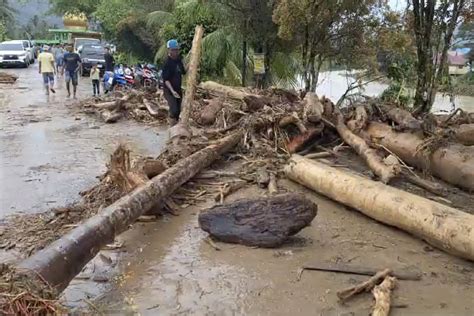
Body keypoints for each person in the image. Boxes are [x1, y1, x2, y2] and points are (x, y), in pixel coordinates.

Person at [161, 39, 186, 125]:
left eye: (176, 50)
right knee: (174, 110)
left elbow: (183, 71)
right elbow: (166, 80)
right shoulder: (167, 63)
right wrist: (172, 91)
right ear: (169, 50)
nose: (175, 52)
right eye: (173, 50)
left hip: (178, 89)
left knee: (178, 111)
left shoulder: (179, 60)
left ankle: (176, 127)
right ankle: (171, 127)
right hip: (169, 90)